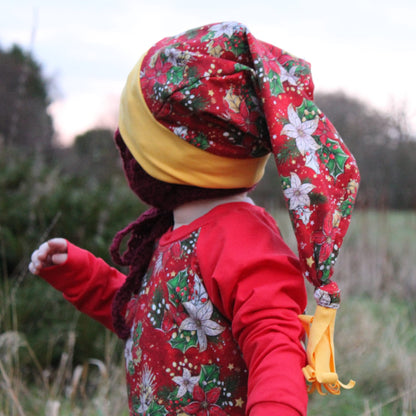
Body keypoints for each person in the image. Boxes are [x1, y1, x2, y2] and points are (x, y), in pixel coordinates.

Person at [29, 21, 359, 415]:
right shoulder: (174, 232)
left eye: (132, 141)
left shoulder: (241, 241)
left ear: (162, 162)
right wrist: (81, 275)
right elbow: (149, 322)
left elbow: (276, 346)